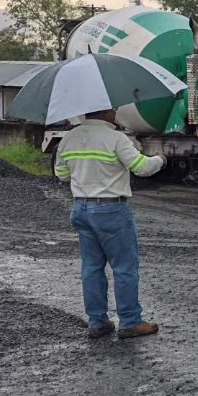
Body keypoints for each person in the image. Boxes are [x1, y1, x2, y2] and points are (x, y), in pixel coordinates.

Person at [53, 109, 166, 339]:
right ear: (104, 112)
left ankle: (97, 322)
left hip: (81, 208)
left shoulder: (68, 139)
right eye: (113, 108)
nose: (116, 111)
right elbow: (142, 167)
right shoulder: (115, 138)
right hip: (111, 209)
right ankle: (130, 322)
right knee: (124, 267)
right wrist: (161, 160)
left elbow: (62, 174)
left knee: (91, 268)